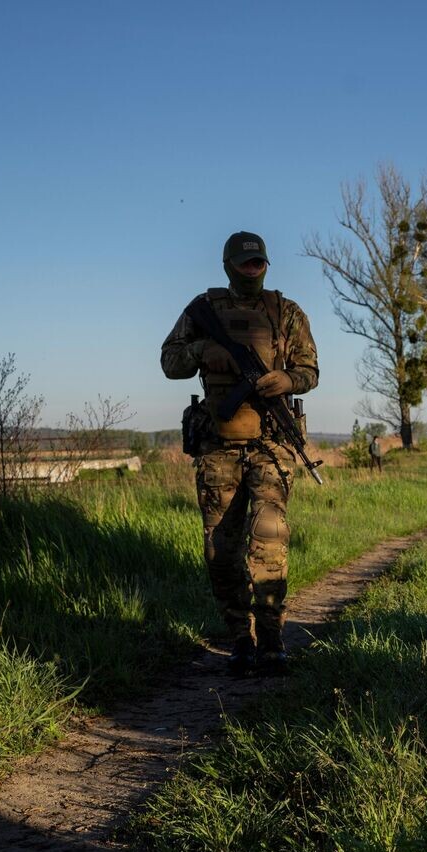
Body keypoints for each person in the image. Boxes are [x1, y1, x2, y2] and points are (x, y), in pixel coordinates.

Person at [161, 231, 319, 675]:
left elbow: (310, 369)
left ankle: (271, 639)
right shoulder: (203, 310)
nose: (254, 269)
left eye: (260, 263)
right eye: (246, 263)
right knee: (221, 550)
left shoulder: (286, 312)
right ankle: (239, 639)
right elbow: (170, 362)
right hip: (217, 448)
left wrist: (287, 382)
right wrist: (205, 351)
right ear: (229, 265)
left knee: (269, 541)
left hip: (271, 444)